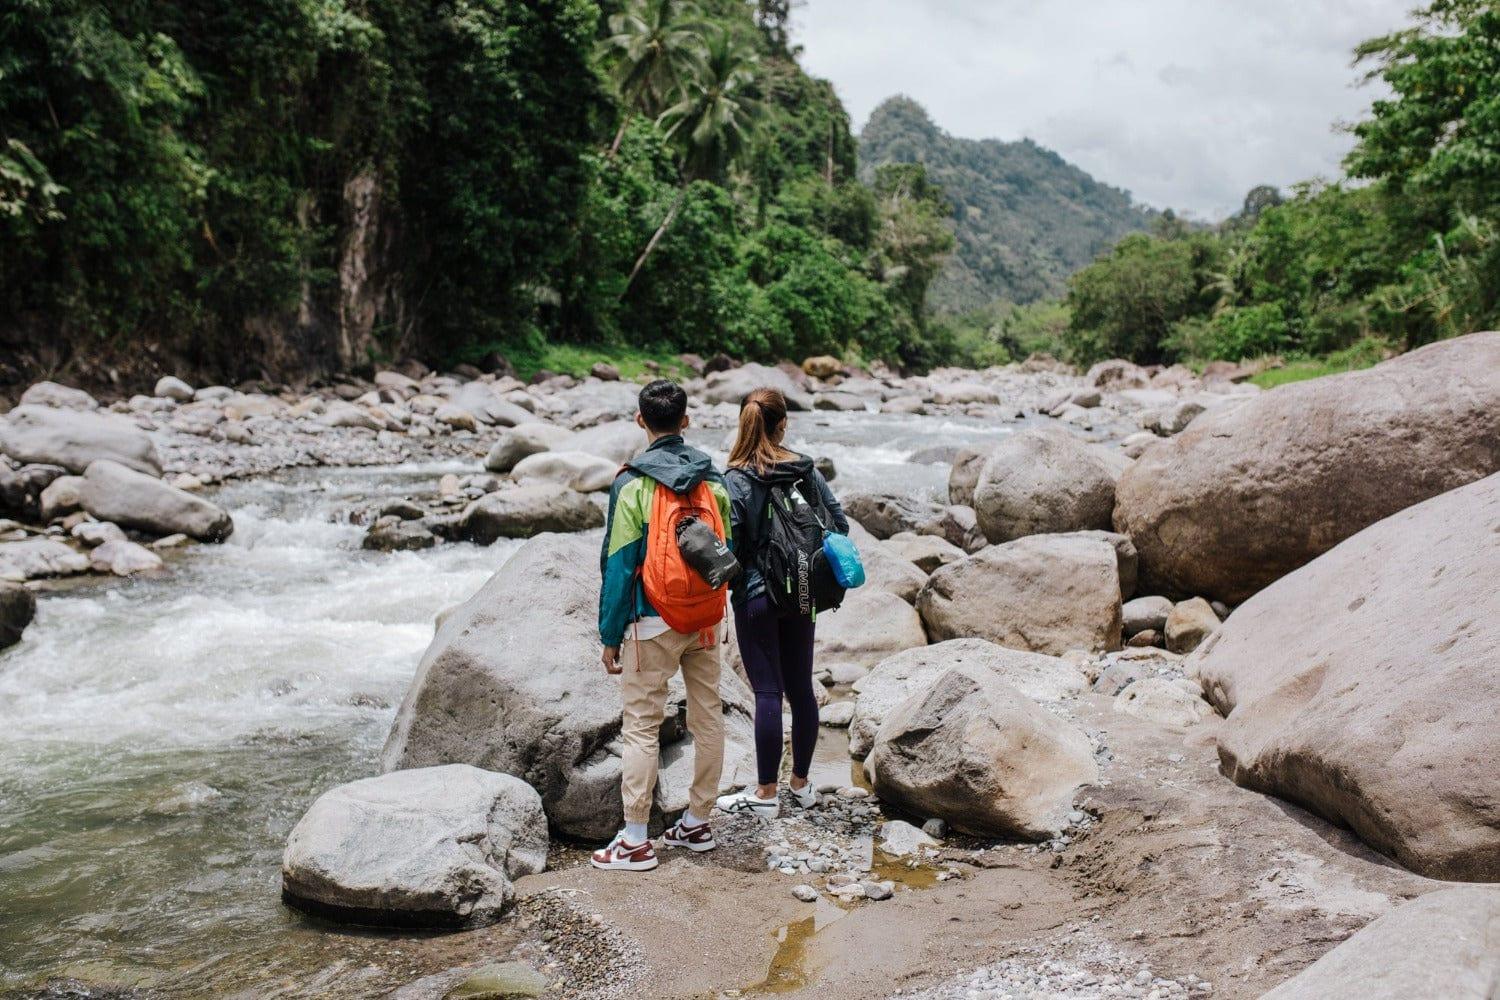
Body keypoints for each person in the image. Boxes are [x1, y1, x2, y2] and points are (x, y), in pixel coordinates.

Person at [592, 379, 735, 872]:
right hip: (705, 622)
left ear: (640, 421)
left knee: (641, 727)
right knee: (708, 718)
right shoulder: (713, 482)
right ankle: (697, 821)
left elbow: (618, 564)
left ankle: (635, 839)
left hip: (649, 622)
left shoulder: (632, 484)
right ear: (686, 421)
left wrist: (610, 635)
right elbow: (723, 554)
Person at [715, 387, 848, 818]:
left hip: (755, 594)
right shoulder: (804, 470)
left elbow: (727, 546)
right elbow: (839, 525)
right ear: (783, 424)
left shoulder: (733, 479)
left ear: (743, 423)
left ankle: (766, 793)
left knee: (768, 691)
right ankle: (801, 785)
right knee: (801, 688)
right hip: (803, 591)